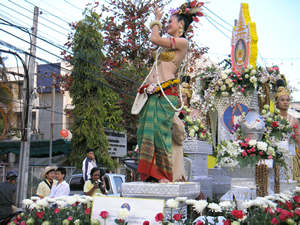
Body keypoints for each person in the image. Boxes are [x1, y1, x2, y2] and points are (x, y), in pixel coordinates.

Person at [136, 2, 205, 183]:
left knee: (159, 132)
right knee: (146, 132)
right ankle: (150, 174)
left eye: (170, 22)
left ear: (180, 25)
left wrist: (156, 21)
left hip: (166, 91)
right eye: (166, 22)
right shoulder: (165, 47)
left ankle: (163, 175)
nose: (167, 25)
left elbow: (154, 39)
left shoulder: (182, 42)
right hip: (151, 92)